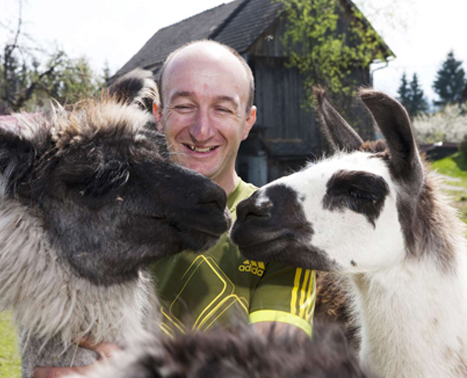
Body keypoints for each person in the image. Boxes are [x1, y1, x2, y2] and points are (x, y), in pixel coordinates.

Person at [33, 40, 315, 378]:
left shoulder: (276, 229)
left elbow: (275, 369)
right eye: (184, 106)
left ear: (247, 121)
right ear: (157, 114)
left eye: (223, 109)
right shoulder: (100, 217)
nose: (201, 129)